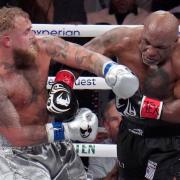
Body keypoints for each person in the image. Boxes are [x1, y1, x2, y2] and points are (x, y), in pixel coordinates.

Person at [0, 6, 139, 180]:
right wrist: (67, 130)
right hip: (16, 153)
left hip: (54, 144)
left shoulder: (43, 46)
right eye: (27, 32)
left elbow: (81, 55)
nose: (33, 36)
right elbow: (15, 135)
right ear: (7, 41)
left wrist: (110, 69)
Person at [85, 10, 180, 180]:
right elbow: (82, 55)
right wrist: (64, 83)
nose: (150, 52)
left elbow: (177, 112)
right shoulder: (123, 39)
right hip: (129, 132)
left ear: (175, 42)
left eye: (159, 47)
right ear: (142, 31)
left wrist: (140, 104)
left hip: (166, 139)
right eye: (146, 42)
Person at [88, 99, 122, 180]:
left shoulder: (147, 144)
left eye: (126, 118)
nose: (121, 123)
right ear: (106, 125)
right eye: (114, 119)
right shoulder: (99, 151)